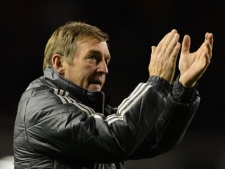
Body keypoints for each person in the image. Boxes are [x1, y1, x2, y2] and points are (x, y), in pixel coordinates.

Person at [13, 21, 213, 169]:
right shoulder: (41, 105)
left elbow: (155, 138)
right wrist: (157, 83)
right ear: (59, 64)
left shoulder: (88, 110)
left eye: (106, 60)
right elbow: (115, 138)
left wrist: (183, 87)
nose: (104, 69)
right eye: (93, 57)